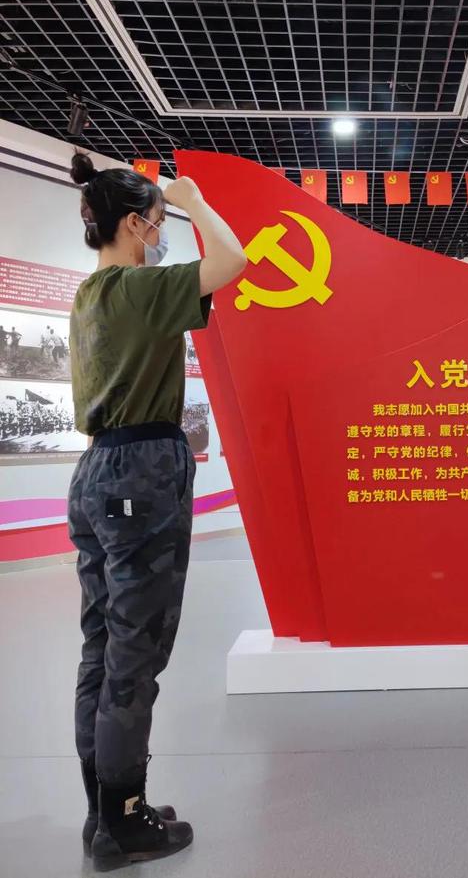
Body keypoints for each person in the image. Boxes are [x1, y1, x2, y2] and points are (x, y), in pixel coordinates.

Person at [67, 151, 246, 870]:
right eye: (160, 220)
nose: (164, 230)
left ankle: (104, 809)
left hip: (97, 473)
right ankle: (125, 821)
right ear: (137, 224)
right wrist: (193, 199)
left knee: (102, 647)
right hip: (141, 472)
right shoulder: (139, 288)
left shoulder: (89, 294)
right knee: (135, 655)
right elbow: (232, 260)